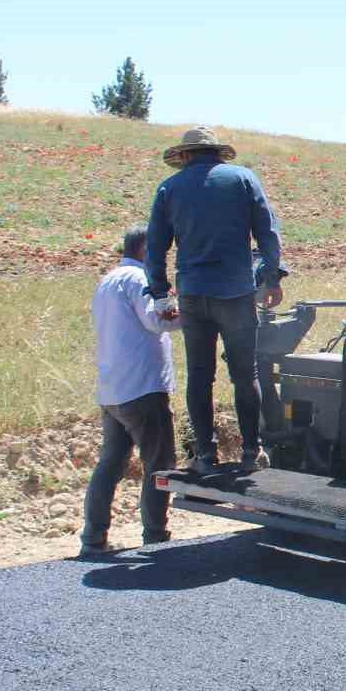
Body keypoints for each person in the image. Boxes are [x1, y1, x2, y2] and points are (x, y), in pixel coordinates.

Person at [146, 126, 284, 476]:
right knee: (244, 375)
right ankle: (252, 451)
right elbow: (267, 231)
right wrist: (271, 278)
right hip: (236, 293)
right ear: (217, 153)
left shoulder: (169, 188)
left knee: (199, 376)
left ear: (186, 155)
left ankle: (205, 456)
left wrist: (161, 295)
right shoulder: (242, 179)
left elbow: (155, 247)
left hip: (192, 293)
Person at [80, 225, 182, 558]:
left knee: (110, 464)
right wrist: (187, 309)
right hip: (142, 387)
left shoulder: (107, 280)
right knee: (159, 462)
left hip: (112, 389)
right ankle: (155, 536)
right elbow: (158, 321)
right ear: (146, 250)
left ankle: (93, 538)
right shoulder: (139, 280)